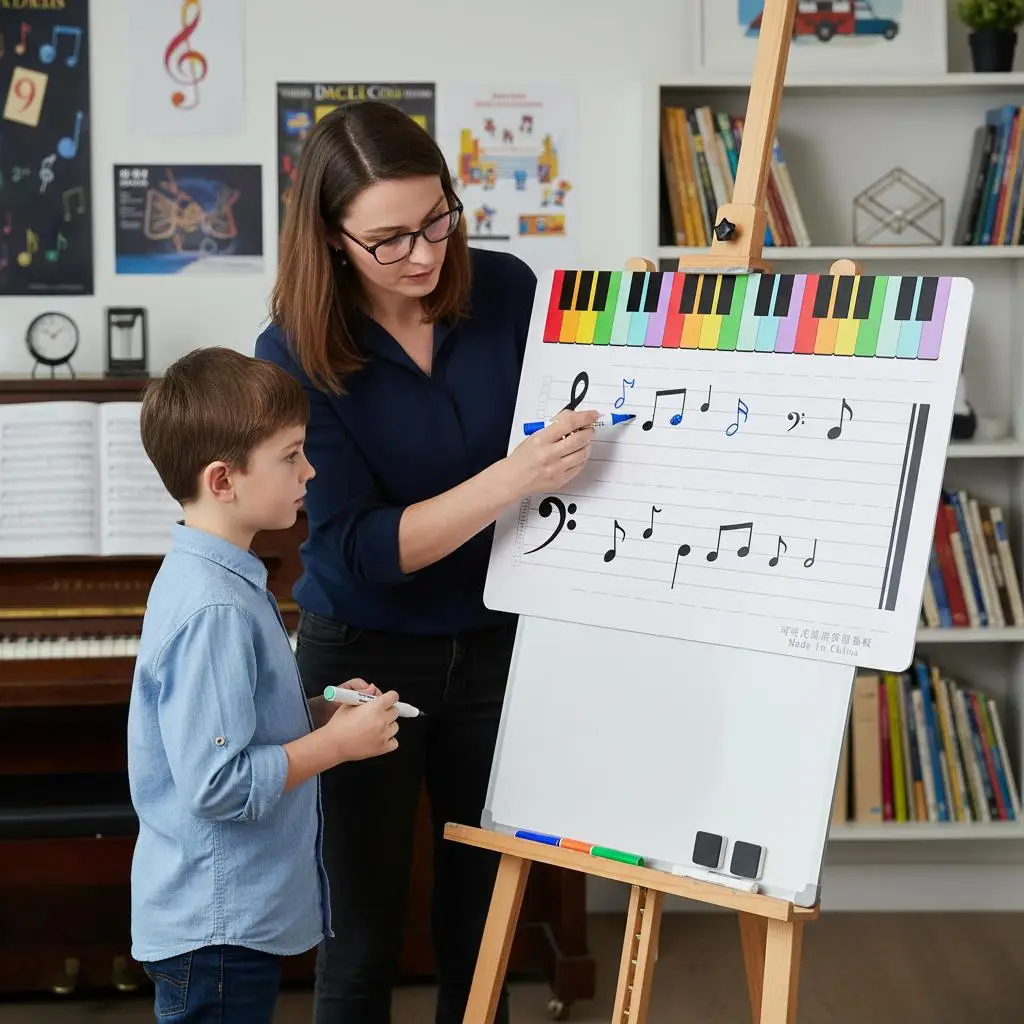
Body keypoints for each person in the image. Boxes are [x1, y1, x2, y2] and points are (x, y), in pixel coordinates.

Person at [255, 100, 598, 1024]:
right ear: (332, 240)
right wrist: (513, 477)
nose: (423, 254)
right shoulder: (291, 349)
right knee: (360, 936)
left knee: (484, 930)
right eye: (389, 239)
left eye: (437, 220)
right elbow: (361, 548)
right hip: (362, 657)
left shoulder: (509, 289)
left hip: (497, 645)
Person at [127, 346, 402, 1024]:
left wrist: (318, 714)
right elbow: (218, 784)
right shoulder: (215, 607)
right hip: (217, 925)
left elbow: (233, 727)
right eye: (291, 456)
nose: (310, 470)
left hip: (222, 919)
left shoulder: (218, 575)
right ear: (223, 480)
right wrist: (336, 747)